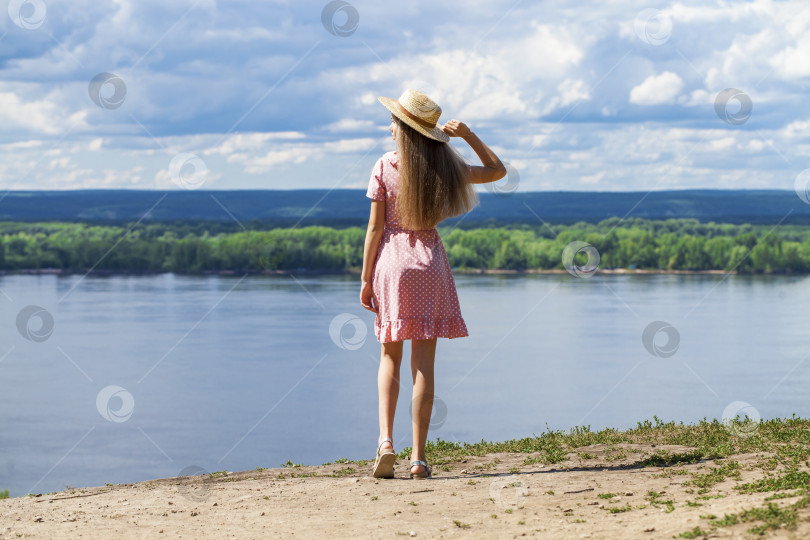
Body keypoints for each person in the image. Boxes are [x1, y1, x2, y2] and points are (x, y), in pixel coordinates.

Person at [359, 89, 506, 479]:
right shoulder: (445, 167)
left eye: (393, 121)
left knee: (390, 356)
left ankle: (385, 442)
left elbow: (375, 229)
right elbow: (497, 171)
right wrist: (470, 136)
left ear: (403, 129)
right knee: (424, 363)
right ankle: (419, 458)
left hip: (391, 263)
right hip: (429, 263)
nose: (389, 126)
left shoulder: (384, 166)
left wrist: (365, 278)